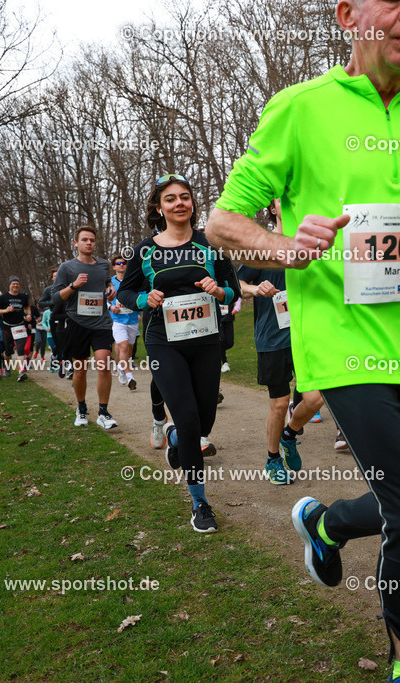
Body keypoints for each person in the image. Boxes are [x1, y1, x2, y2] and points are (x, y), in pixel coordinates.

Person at [205, 0, 400, 675]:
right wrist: (285, 247)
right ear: (349, 15)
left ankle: (326, 525)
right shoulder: (301, 107)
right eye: (396, 1)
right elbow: (223, 221)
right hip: (344, 347)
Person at [118, 174, 240, 533]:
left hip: (205, 340)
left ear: (192, 203)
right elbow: (125, 294)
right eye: (170, 199)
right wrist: (144, 298)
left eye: (185, 197)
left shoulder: (210, 243)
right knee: (187, 419)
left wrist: (219, 291)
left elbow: (234, 291)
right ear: (159, 207)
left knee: (201, 425)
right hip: (163, 340)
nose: (179, 203)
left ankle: (174, 438)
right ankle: (200, 503)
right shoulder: (145, 250)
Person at [238, 200, 327, 485]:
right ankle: (273, 457)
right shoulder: (263, 246)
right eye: (281, 198)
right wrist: (255, 287)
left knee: (318, 396)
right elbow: (238, 285)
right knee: (279, 403)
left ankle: (290, 434)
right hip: (273, 336)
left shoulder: (313, 243)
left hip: (308, 334)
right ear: (274, 209)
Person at [50, 226, 119, 430]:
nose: (89, 243)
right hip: (77, 323)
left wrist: (111, 288)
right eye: (84, 240)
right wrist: (73, 286)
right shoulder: (67, 268)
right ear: (76, 244)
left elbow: (105, 281)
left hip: (101, 323)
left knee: (104, 364)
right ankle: (81, 409)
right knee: (80, 370)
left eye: (91, 240)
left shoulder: (103, 265)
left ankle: (103, 412)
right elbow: (55, 297)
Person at [0, 277, 33, 381]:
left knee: (21, 350)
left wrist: (28, 315)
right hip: (7, 327)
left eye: (17, 284)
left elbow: (27, 308)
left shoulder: (23, 297)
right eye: (13, 284)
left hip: (20, 326)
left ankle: (21, 372)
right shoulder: (3, 297)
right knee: (8, 351)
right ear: (9, 285)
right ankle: (6, 364)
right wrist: (6, 310)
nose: (15, 286)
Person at [109, 255, 139, 390]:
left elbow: (140, 297)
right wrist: (111, 307)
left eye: (124, 263)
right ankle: (130, 377)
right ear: (114, 267)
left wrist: (138, 312)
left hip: (132, 320)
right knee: (123, 347)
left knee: (130, 350)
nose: (121, 265)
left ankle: (121, 367)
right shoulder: (109, 283)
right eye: (118, 263)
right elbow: (103, 299)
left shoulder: (133, 281)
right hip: (118, 321)